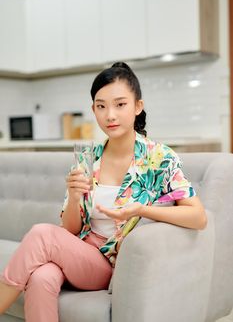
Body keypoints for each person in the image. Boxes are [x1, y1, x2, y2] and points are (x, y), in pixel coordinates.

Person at [0, 62, 207, 322]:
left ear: (137, 107)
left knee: (42, 233)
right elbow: (70, 231)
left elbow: (198, 217)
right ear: (93, 110)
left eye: (120, 104)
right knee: (41, 277)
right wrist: (74, 196)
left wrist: (141, 209)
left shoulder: (159, 157)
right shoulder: (89, 157)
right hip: (79, 252)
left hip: (110, 263)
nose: (110, 115)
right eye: (101, 106)